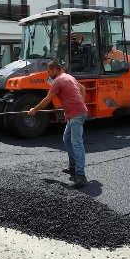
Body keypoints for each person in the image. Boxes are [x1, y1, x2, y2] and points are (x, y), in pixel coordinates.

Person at [28, 60, 89, 188]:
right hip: (77, 113)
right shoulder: (68, 76)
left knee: (77, 143)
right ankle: (73, 167)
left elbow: (47, 99)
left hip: (76, 115)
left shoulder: (57, 81)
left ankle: (81, 175)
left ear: (55, 70)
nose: (48, 75)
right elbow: (82, 89)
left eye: (49, 72)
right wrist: (80, 104)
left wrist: (34, 110)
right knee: (66, 139)